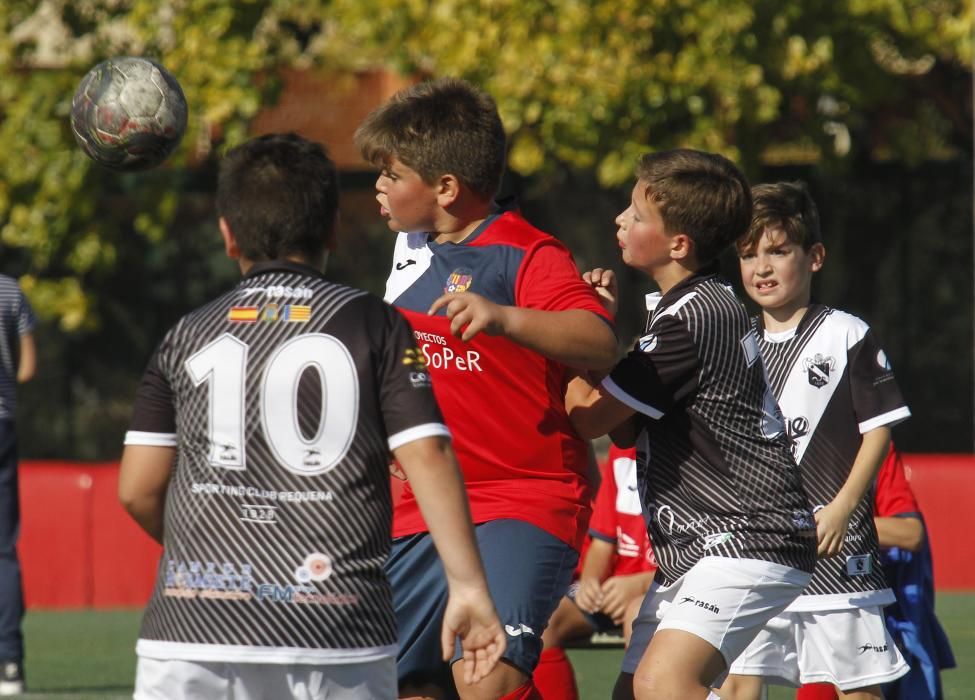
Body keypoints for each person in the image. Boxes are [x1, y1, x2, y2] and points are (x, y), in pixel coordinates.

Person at [117, 133, 506, 700]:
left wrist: (206, 564)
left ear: (227, 234)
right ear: (331, 229)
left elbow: (136, 489)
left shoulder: (186, 334)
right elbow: (427, 452)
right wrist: (468, 587)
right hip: (337, 628)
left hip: (192, 634)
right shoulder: (376, 324)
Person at [354, 77, 618, 699]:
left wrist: (504, 317)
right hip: (423, 504)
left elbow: (599, 341)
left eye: (392, 174)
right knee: (402, 684)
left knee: (484, 676)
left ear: (446, 188)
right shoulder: (410, 252)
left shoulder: (526, 253)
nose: (379, 186)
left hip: (520, 498)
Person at [564, 149, 818, 700]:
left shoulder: (691, 319)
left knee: (665, 684)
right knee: (635, 692)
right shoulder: (691, 306)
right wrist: (596, 343)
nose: (620, 221)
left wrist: (559, 345)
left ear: (678, 244)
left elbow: (590, 419)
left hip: (749, 537)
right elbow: (626, 432)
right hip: (707, 546)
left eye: (635, 214)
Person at [719, 181, 912, 700]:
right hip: (756, 553)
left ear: (815, 256)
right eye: (748, 254)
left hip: (837, 557)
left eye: (778, 251)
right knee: (737, 684)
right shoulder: (733, 341)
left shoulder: (845, 333)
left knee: (858, 691)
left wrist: (845, 507)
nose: (761, 267)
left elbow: (880, 429)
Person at [798, 444, 956, 700]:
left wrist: (842, 519)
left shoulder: (870, 443)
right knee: (737, 680)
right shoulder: (776, 436)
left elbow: (911, 532)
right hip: (791, 595)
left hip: (847, 604)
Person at [534, 444, 657, 699]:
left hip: (663, 589)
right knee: (543, 623)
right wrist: (590, 580)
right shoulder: (622, 450)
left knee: (637, 619)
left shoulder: (694, 452)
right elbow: (602, 541)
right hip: (613, 591)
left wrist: (642, 584)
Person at [0, 276, 36, 697]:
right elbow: (26, 368)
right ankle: (10, 663)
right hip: (3, 422)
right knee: (3, 548)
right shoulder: (11, 291)